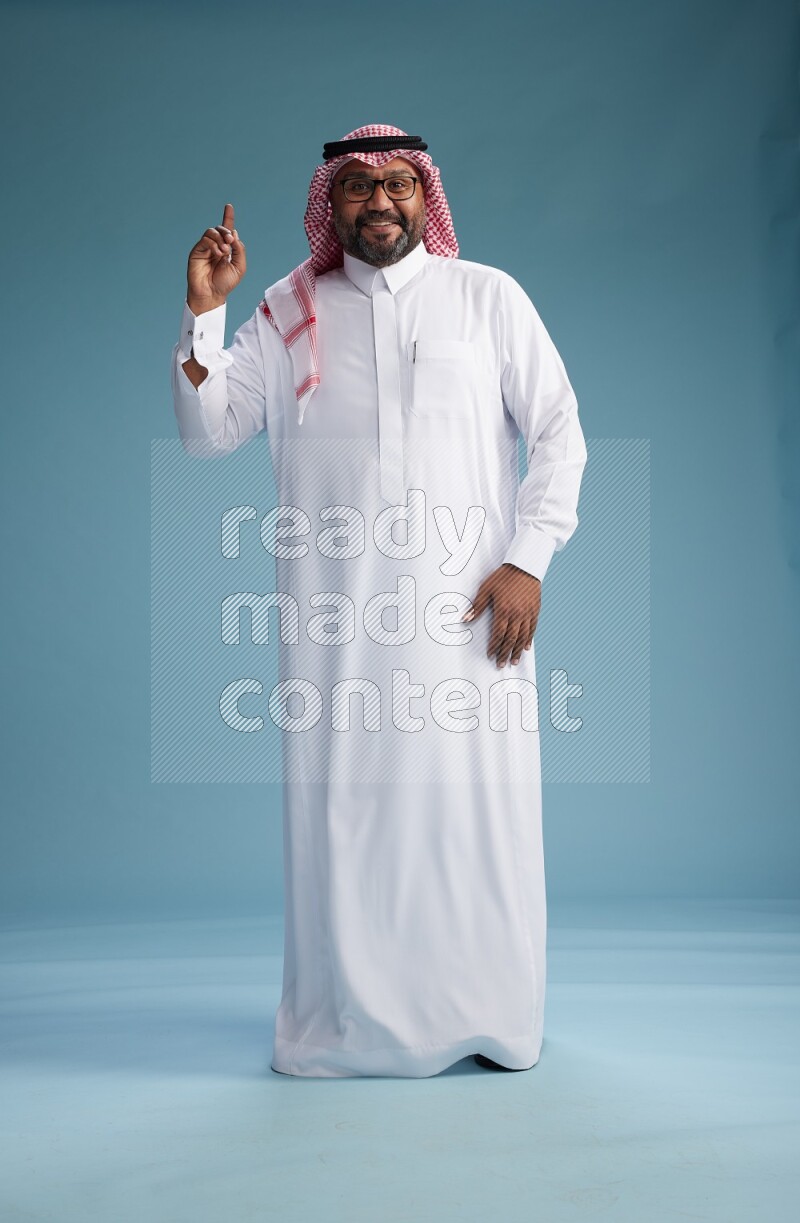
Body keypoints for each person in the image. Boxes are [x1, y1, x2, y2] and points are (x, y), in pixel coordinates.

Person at [171, 123, 587, 1078]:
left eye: (400, 183)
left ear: (423, 194)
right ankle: (343, 1029)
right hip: (338, 629)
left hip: (473, 624)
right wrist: (202, 315)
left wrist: (528, 558)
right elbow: (207, 431)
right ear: (333, 203)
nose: (381, 201)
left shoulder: (487, 298)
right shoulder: (286, 309)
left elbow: (559, 432)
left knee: (474, 820)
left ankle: (491, 1019)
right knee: (349, 822)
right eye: (358, 187)